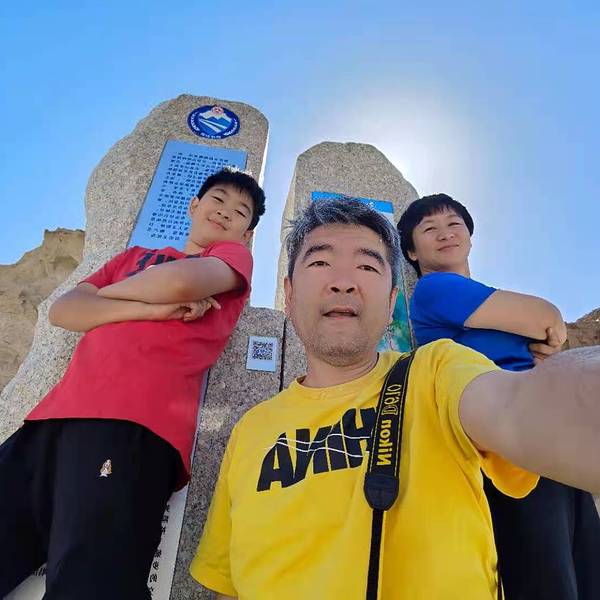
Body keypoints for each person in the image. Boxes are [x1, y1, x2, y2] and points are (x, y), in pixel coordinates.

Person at [190, 198, 600, 600]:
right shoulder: (250, 431)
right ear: (289, 293)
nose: (343, 282)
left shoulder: (436, 373)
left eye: (367, 266)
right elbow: (228, 586)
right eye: (320, 262)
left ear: (391, 304)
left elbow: (517, 408)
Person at [0, 167, 266, 600]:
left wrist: (102, 297)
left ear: (247, 234)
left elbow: (180, 281)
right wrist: (148, 308)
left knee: (92, 583)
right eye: (218, 199)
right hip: (51, 418)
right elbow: (63, 311)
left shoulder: (232, 261)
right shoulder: (134, 257)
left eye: (240, 212)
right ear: (194, 205)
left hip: (135, 426)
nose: (225, 212)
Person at [397, 193, 600, 599]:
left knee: (587, 573)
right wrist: (545, 328)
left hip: (543, 434)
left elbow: (550, 331)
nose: (445, 233)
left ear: (470, 237)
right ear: (412, 252)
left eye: (454, 224)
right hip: (508, 447)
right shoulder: (433, 289)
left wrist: (548, 333)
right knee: (547, 579)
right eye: (430, 228)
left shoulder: (478, 297)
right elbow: (545, 319)